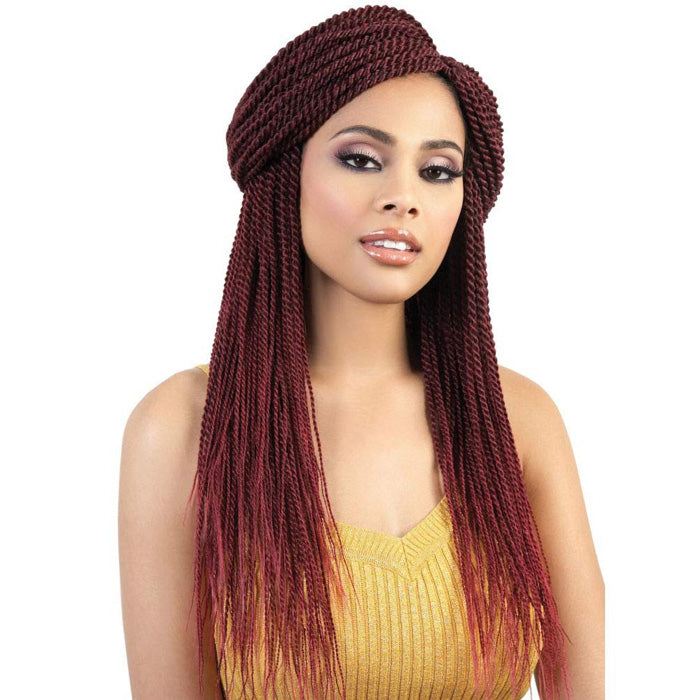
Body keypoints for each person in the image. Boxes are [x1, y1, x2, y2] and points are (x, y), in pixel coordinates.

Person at [119, 5, 604, 699]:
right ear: (284, 173)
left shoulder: (518, 420)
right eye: (360, 159)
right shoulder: (183, 429)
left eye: (437, 171)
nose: (403, 197)